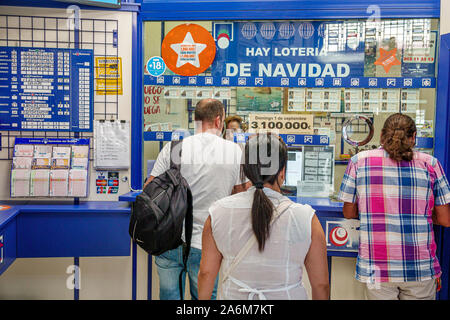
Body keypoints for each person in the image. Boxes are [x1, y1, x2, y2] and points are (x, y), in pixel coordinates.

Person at [198, 133, 329, 300]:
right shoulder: (305, 217)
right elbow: (321, 284)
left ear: (245, 170)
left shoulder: (218, 212)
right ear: (282, 172)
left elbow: (206, 273)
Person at [338, 113, 450, 300]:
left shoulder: (359, 161)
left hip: (377, 266)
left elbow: (348, 212)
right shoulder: (430, 164)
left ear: (382, 135)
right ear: (414, 137)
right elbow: (445, 219)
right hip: (419, 266)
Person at [146, 98, 248, 300]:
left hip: (169, 239)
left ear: (196, 119)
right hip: (208, 243)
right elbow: (242, 196)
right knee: (204, 298)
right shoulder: (234, 152)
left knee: (169, 296)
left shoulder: (174, 147)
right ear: (219, 121)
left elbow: (150, 188)